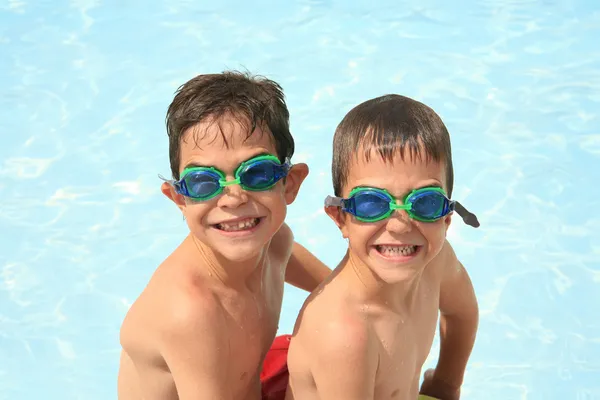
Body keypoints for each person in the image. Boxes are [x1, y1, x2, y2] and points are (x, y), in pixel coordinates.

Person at [117, 71, 332, 400]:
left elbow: (339, 291)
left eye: (257, 173)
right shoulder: (190, 312)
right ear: (180, 199)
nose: (234, 198)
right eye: (204, 182)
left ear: (289, 183)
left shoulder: (276, 243)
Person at [285, 94, 480, 400]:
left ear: (446, 218)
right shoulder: (346, 334)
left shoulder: (437, 262)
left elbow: (462, 313)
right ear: (340, 218)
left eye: (425, 203)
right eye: (371, 203)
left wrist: (446, 383)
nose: (400, 225)